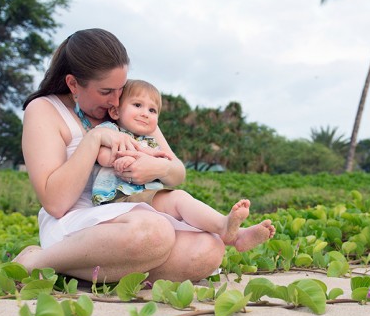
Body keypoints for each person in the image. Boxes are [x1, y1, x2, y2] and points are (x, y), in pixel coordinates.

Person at [14, 29, 232, 283]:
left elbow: (177, 172)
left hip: (134, 215)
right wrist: (94, 140)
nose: (116, 100)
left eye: (120, 88)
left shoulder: (128, 107)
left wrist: (157, 168)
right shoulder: (44, 110)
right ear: (73, 84)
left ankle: (101, 269)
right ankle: (38, 261)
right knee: (153, 232)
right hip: (76, 224)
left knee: (208, 249)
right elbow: (55, 203)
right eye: (106, 92)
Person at [90, 79, 275, 252]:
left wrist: (156, 162)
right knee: (177, 210)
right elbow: (102, 156)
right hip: (118, 200)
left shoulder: (151, 141)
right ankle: (226, 229)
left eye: (152, 110)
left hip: (146, 197)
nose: (145, 113)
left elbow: (172, 168)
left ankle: (233, 233)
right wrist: (121, 159)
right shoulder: (111, 130)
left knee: (182, 204)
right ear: (115, 111)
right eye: (137, 105)